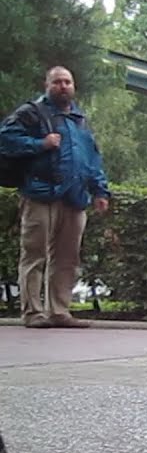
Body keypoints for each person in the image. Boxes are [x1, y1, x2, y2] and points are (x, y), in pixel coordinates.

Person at [0, 66, 111, 329]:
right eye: (57, 82)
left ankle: (59, 310)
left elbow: (91, 159)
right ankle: (33, 312)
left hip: (74, 197)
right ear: (47, 85)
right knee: (34, 253)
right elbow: (5, 139)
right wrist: (40, 144)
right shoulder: (31, 113)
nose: (63, 86)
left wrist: (100, 190)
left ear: (74, 86)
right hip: (39, 193)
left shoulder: (80, 119)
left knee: (67, 257)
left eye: (68, 82)